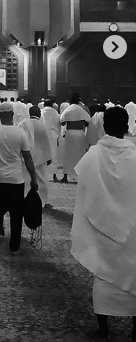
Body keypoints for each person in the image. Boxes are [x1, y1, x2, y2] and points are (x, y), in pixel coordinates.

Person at [71, 107, 136, 341]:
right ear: (127, 127)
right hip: (132, 229)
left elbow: (84, 192)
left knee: (103, 275)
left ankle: (103, 328)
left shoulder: (93, 155)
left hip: (102, 227)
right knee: (133, 273)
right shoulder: (135, 156)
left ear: (104, 126)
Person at [0, 102, 38, 255]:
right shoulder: (20, 133)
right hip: (16, 180)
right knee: (16, 214)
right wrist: (34, 178)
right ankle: (14, 247)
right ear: (12, 115)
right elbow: (27, 158)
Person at [18, 106, 53, 207]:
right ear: (39, 114)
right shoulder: (43, 125)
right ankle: (45, 201)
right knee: (42, 179)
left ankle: (24, 198)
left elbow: (19, 139)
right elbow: (47, 142)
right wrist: (48, 156)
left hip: (26, 155)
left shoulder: (22, 124)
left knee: (25, 177)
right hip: (41, 156)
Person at [60, 92, 91, 183]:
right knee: (80, 155)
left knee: (68, 155)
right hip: (80, 133)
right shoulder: (82, 110)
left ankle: (65, 176)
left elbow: (62, 122)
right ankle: (80, 175)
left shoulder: (68, 109)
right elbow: (88, 121)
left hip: (70, 133)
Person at [41, 98, 61, 182]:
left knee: (43, 154)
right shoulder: (56, 113)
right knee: (54, 154)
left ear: (44, 105)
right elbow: (58, 125)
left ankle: (43, 174)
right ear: (52, 105)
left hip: (44, 134)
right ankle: (54, 175)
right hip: (53, 135)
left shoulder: (41, 112)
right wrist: (58, 137)